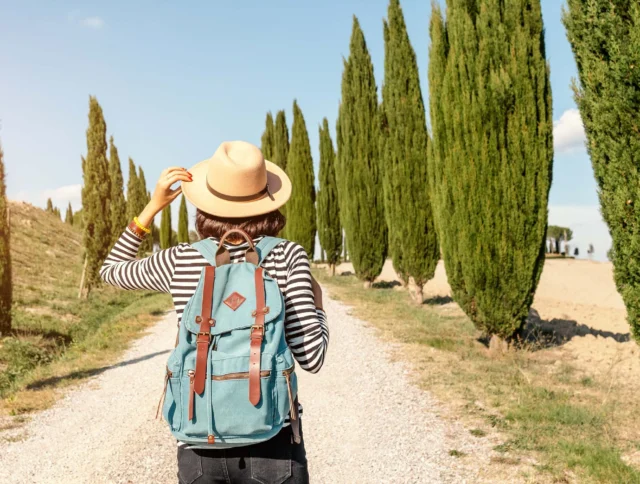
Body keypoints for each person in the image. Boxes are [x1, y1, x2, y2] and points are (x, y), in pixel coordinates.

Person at [100, 140, 329, 484]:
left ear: (206, 204)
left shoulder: (180, 259)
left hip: (198, 444)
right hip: (273, 442)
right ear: (267, 203)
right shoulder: (286, 256)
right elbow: (312, 358)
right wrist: (320, 305)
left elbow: (111, 270)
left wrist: (151, 208)